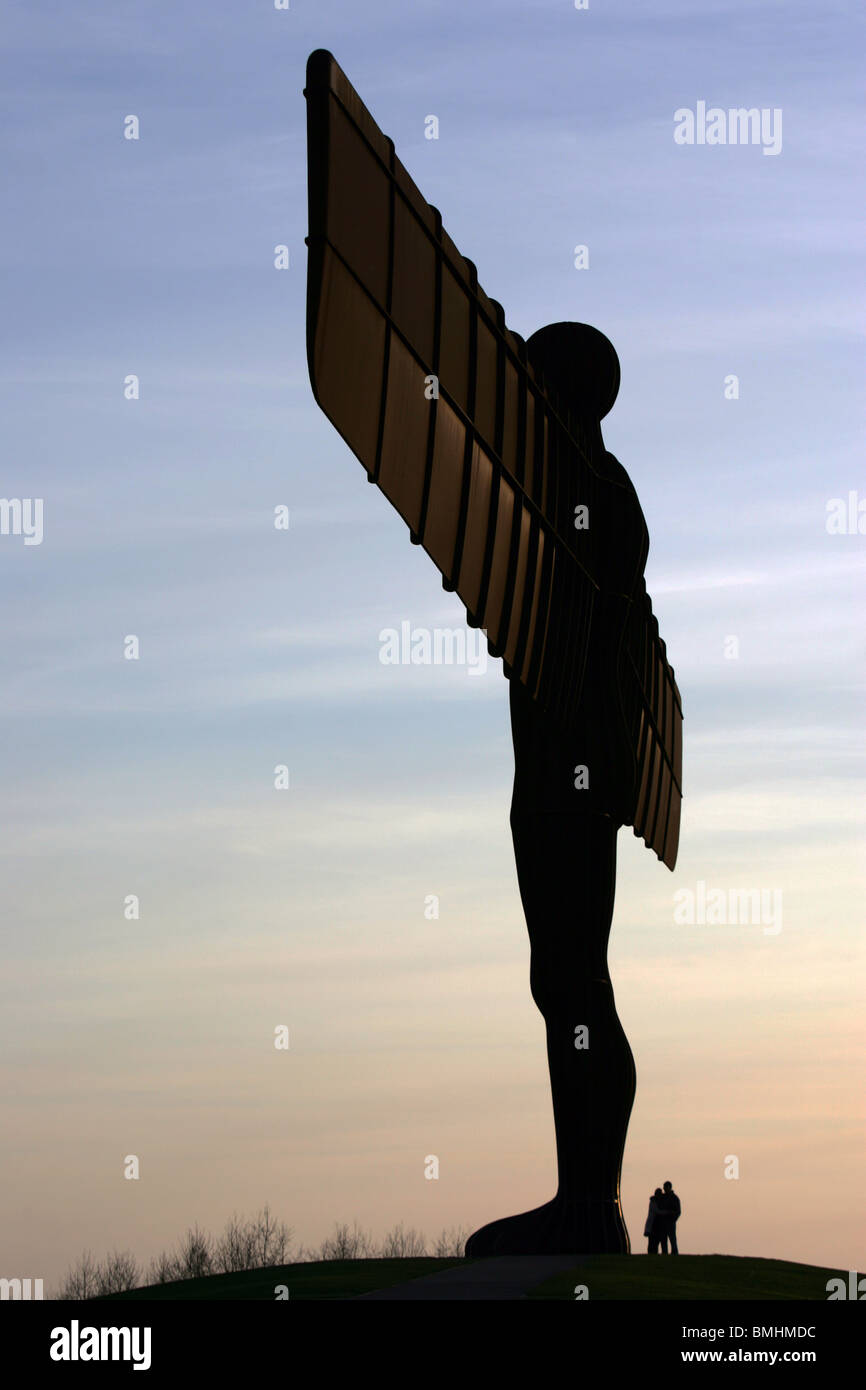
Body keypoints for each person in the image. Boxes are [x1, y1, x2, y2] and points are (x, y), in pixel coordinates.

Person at [656, 1180, 681, 1254]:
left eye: (665, 1187)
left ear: (669, 1187)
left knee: (672, 1239)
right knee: (663, 1240)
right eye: (664, 1188)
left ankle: (674, 1253)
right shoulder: (663, 1197)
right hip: (663, 1222)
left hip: (670, 1222)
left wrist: (673, 1218)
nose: (664, 1189)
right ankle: (665, 1253)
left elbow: (678, 1211)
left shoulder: (674, 1198)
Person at [644, 1188, 664, 1254]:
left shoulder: (654, 1202)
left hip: (657, 1226)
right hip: (653, 1226)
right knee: (652, 1242)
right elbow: (657, 1211)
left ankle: (652, 1253)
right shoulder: (653, 1202)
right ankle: (652, 1253)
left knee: (654, 1242)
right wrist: (667, 1212)